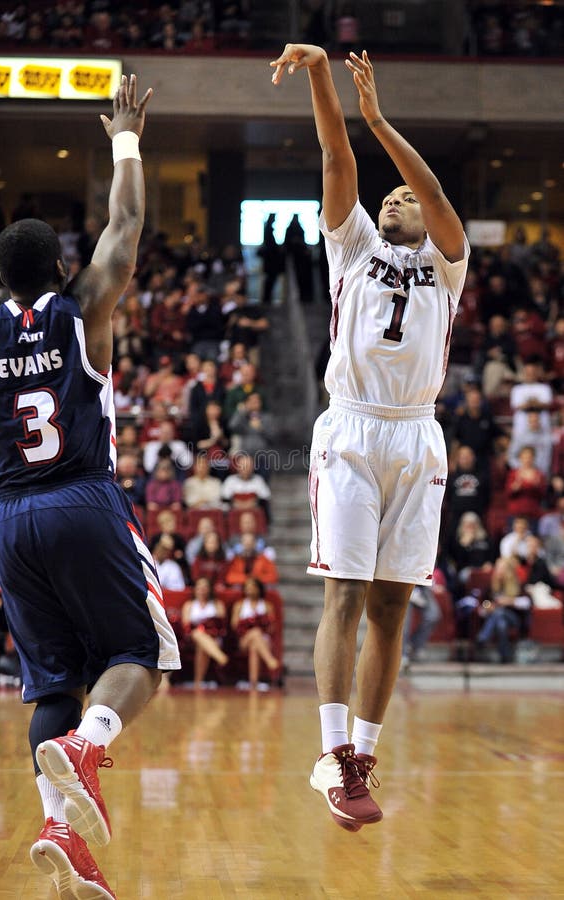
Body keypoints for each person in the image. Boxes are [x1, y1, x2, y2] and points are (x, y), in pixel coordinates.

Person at [271, 43, 469, 830]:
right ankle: (329, 752)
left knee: (391, 608)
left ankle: (362, 755)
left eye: (404, 198)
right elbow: (332, 154)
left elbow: (435, 195)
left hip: (417, 436)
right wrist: (323, 76)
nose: (393, 199)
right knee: (345, 594)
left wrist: (382, 121)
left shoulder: (448, 263)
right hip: (351, 427)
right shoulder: (351, 248)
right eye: (386, 197)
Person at [0, 76, 180, 899]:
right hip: (80, 497)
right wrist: (125, 138)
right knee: (139, 654)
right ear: (60, 267)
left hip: (9, 519)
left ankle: (60, 832)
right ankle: (89, 745)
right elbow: (129, 224)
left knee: (50, 681)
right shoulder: (84, 307)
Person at [231, 577, 280, 690]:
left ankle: (253, 683)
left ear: (259, 589)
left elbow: (272, 628)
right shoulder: (239, 605)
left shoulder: (267, 605)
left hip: (264, 641)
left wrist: (262, 623)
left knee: (255, 645)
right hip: (244, 640)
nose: (250, 589)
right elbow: (234, 625)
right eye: (247, 587)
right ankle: (270, 660)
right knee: (255, 632)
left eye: (253, 587)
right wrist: (248, 624)